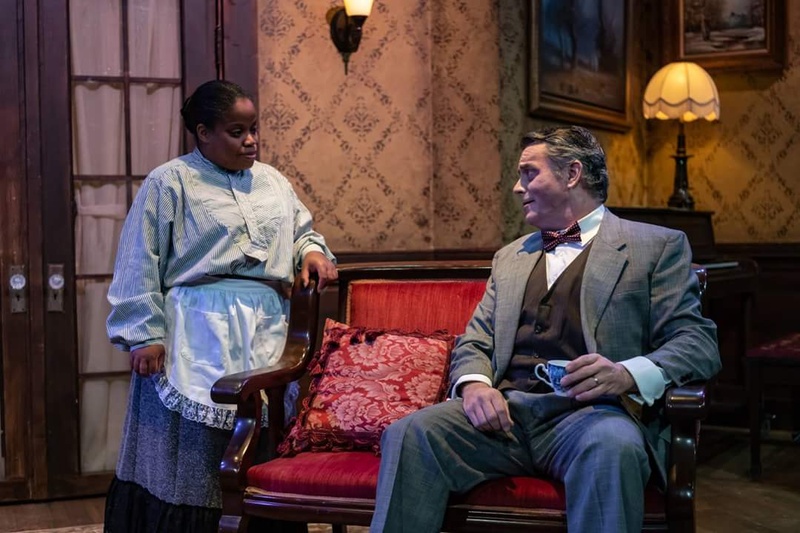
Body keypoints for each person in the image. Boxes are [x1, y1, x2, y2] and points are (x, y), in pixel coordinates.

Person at [370, 126, 720, 533]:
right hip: (506, 419)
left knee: (612, 447)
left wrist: (625, 373)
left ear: (572, 174)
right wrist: (474, 386)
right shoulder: (511, 256)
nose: (518, 189)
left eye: (529, 174)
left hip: (594, 417)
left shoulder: (655, 247)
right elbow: (476, 340)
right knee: (411, 433)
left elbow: (697, 343)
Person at [104, 79, 337, 532]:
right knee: (194, 451)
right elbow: (140, 257)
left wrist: (309, 250)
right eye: (236, 131)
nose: (250, 140)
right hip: (193, 325)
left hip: (265, 323)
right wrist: (144, 333)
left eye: (254, 129)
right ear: (203, 131)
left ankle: (262, 518)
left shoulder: (272, 181)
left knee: (260, 434)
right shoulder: (169, 181)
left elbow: (300, 231)